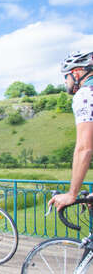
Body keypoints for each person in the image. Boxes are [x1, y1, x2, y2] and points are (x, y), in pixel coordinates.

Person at [49, 51, 93, 211]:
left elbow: (84, 148)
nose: (65, 81)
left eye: (65, 76)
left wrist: (72, 193)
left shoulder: (86, 93)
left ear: (76, 72)